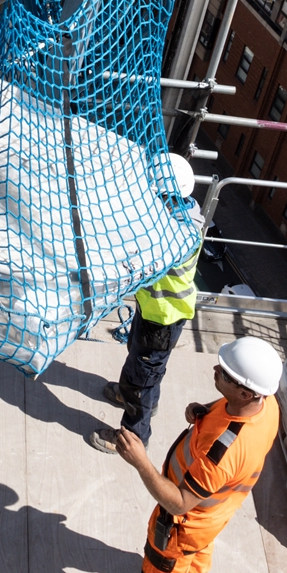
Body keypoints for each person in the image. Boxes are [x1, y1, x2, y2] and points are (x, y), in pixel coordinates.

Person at [114, 337, 283, 573]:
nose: (215, 370)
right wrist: (205, 412)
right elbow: (232, 416)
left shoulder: (222, 454)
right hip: (212, 516)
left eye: (225, 374)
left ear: (245, 393)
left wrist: (140, 461)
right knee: (200, 549)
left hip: (182, 526)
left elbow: (179, 502)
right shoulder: (266, 405)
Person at [88, 154, 201, 454]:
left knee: (143, 377)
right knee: (141, 364)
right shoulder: (185, 213)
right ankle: (137, 395)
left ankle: (133, 438)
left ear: (167, 195)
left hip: (162, 318)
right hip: (154, 311)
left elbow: (141, 260)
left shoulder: (175, 234)